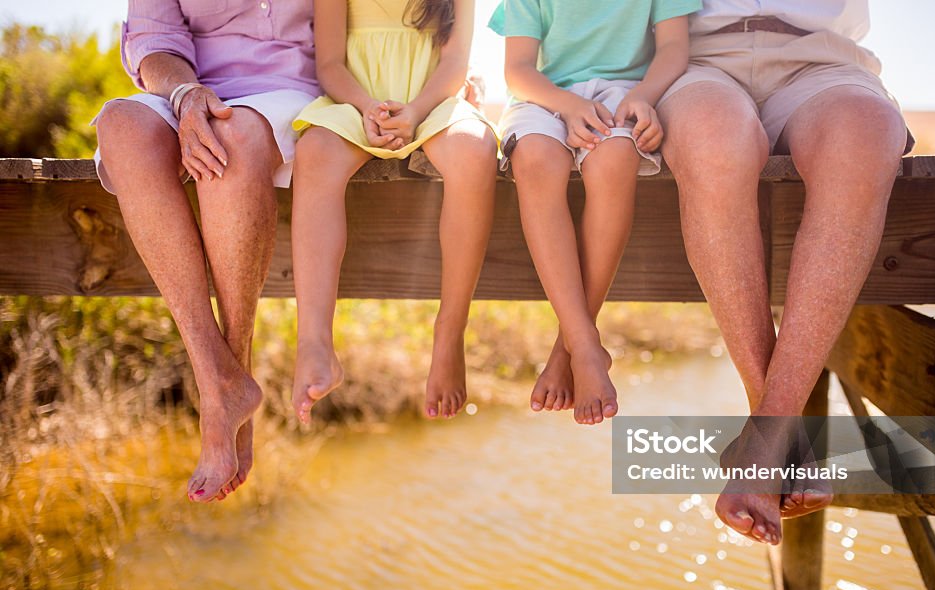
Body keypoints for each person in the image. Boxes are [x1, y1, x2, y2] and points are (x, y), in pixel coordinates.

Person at [657, 0, 914, 544]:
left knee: (868, 128)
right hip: (698, 58)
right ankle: (777, 430)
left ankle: (765, 434)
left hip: (823, 59)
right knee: (709, 136)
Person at [93, 0, 319, 502]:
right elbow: (154, 42)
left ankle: (226, 388)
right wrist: (184, 93)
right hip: (189, 91)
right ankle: (218, 380)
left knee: (230, 135)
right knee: (121, 125)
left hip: (292, 94)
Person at [490, 0, 699, 426]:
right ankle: (585, 342)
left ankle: (571, 346)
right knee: (534, 159)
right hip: (546, 95)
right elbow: (518, 69)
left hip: (623, 91)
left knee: (616, 155)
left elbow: (674, 47)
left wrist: (643, 96)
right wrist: (566, 105)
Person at [289, 0, 498, 424]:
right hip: (356, 101)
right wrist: (367, 106)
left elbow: (455, 60)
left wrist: (417, 110)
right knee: (315, 152)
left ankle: (450, 330)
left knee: (474, 150)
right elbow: (329, 63)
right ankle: (314, 341)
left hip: (432, 100)